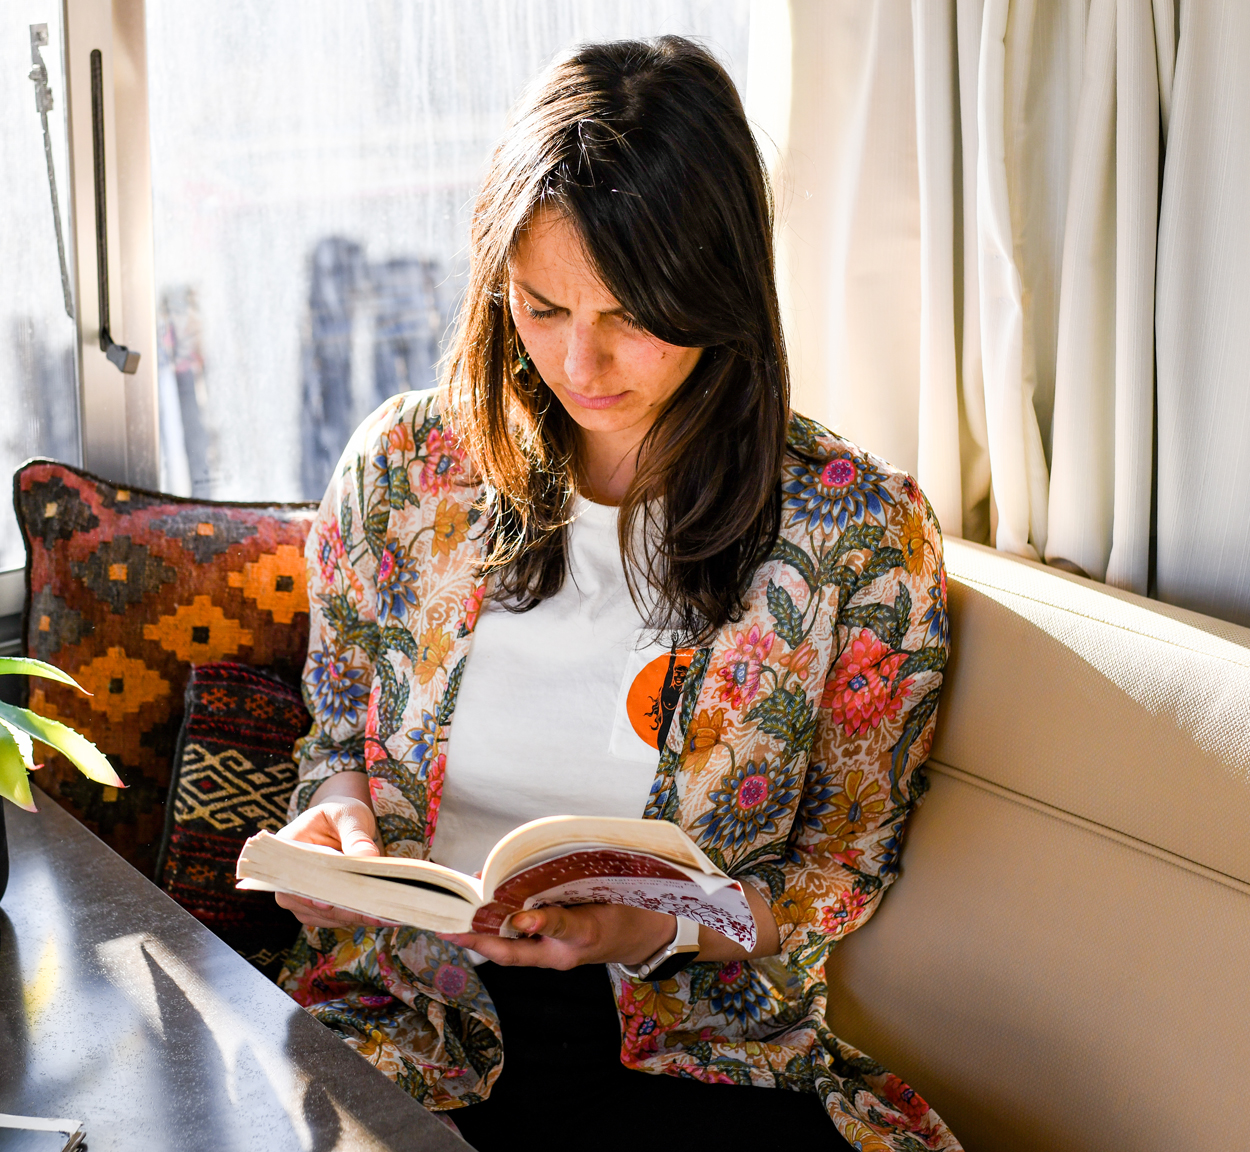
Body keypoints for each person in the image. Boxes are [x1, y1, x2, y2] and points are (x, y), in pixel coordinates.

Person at [271, 35, 959, 1152]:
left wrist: (665, 922)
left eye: (630, 314)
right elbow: (336, 735)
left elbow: (840, 870)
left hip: (694, 1053)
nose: (580, 364)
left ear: (716, 286)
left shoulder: (857, 536)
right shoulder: (402, 471)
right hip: (410, 1019)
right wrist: (335, 820)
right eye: (540, 310)